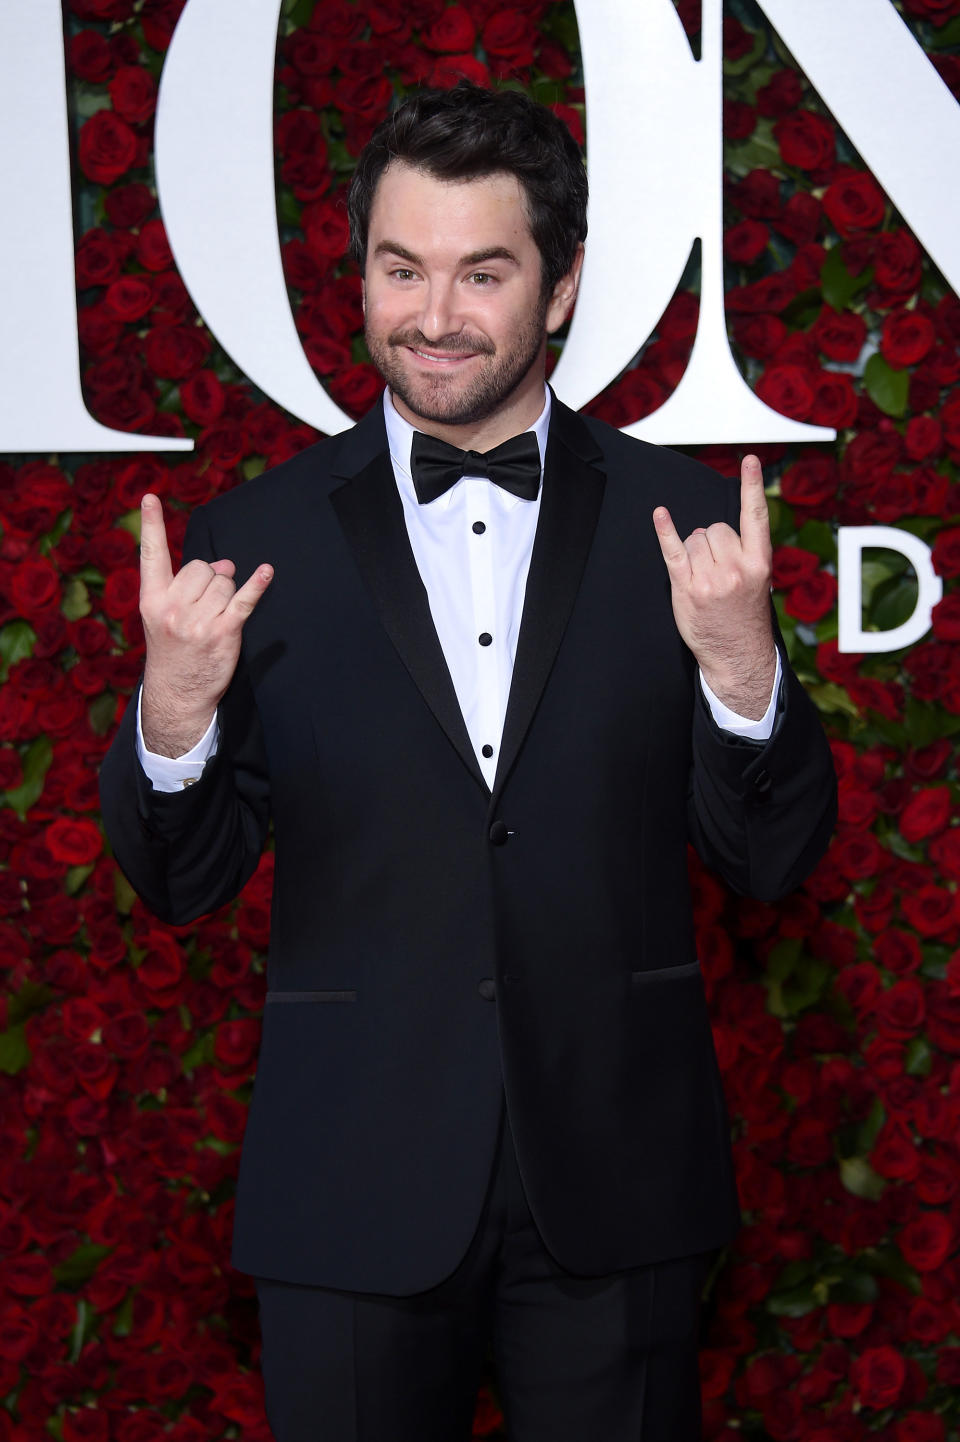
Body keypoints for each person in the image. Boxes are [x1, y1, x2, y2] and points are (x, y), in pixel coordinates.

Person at [100, 84, 836, 1442]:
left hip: (615, 1182)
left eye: (481, 271)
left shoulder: (681, 528)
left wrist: (742, 671)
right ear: (364, 276)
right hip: (351, 1182)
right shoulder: (257, 536)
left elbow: (771, 855)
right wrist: (176, 712)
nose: (434, 313)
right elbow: (180, 879)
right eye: (402, 268)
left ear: (557, 292)